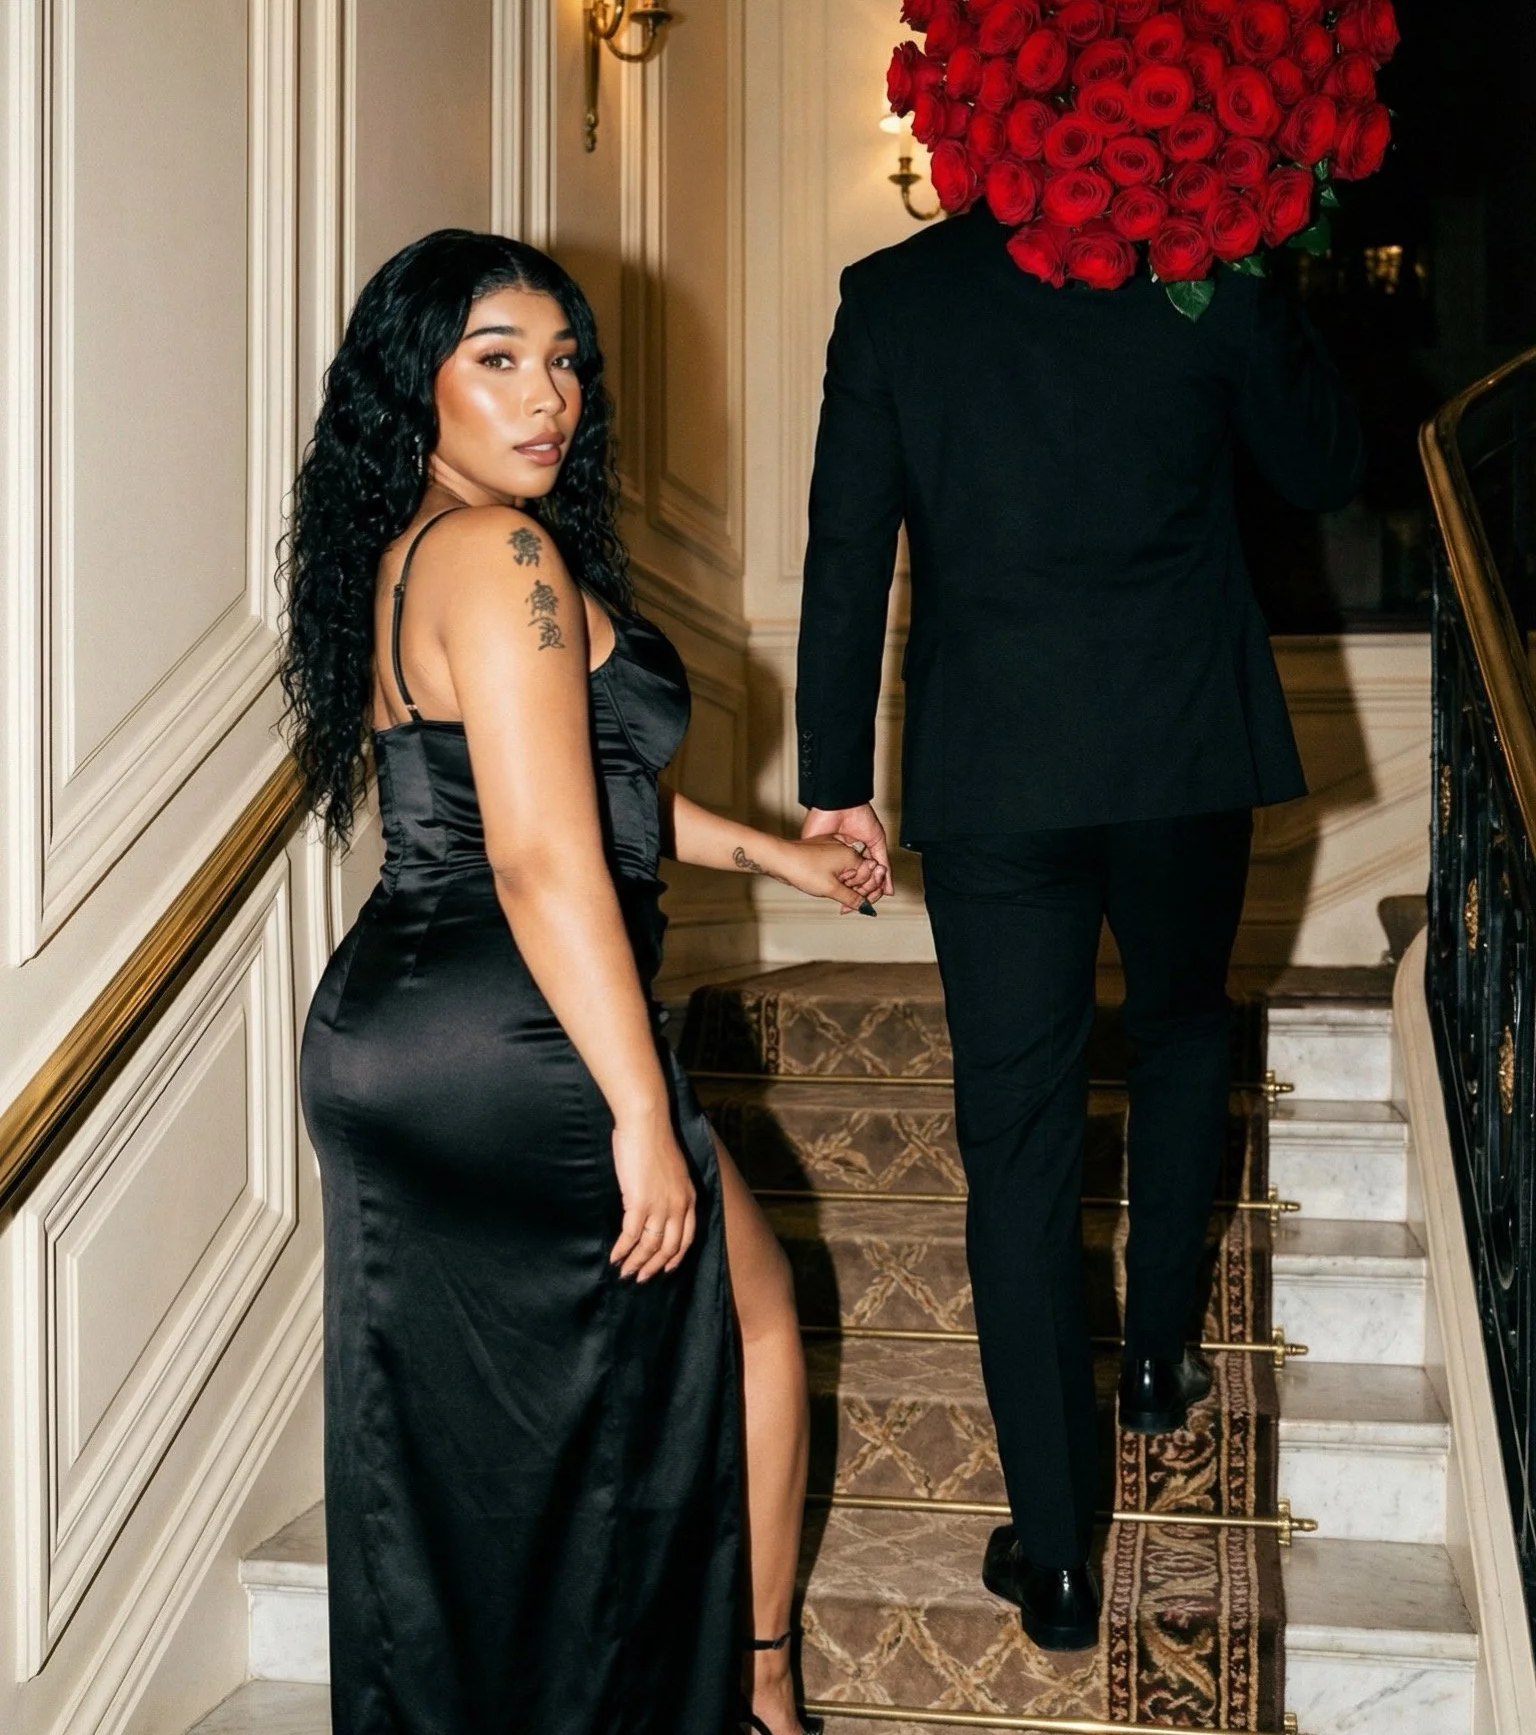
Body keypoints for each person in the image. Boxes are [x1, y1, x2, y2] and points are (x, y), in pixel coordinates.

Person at [282, 229, 878, 1733]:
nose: (547, 396)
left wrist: (773, 858)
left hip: (407, 1024)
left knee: (482, 1434)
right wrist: (636, 1108)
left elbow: (570, 787)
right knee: (744, 1320)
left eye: (563, 363)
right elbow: (548, 863)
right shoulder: (503, 552)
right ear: (411, 385)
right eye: (498, 360)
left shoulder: (417, 543)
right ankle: (756, 1690)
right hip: (517, 1021)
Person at [794, 201, 1364, 1652]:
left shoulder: (895, 294)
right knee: (1178, 1030)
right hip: (1181, 748)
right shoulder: (1198, 266)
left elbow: (846, 546)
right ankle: (1162, 1357)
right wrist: (1259, 270)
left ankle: (1055, 1556)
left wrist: (832, 786)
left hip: (996, 769)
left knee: (1019, 1142)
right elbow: (1325, 465)